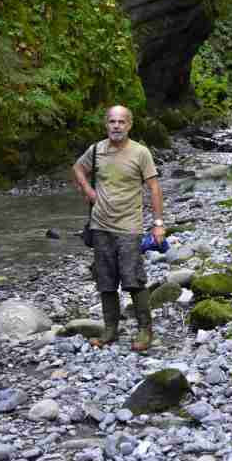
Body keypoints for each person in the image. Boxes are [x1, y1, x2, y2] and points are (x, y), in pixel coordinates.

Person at [73, 105, 165, 351]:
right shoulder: (96, 150)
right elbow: (78, 169)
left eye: (121, 122)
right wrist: (88, 190)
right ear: (106, 124)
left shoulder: (140, 153)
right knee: (106, 281)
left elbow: (154, 188)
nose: (116, 126)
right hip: (100, 225)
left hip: (129, 227)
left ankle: (145, 330)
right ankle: (110, 330)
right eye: (112, 122)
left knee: (133, 279)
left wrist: (158, 224)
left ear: (129, 125)